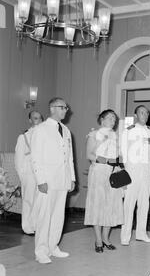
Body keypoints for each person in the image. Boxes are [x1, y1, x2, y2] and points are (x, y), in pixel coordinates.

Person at [30, 98, 76, 264]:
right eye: (62, 107)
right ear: (52, 108)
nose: (66, 110)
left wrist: (72, 178)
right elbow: (35, 157)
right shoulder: (41, 129)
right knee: (44, 216)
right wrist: (40, 180)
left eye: (66, 107)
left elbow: (69, 157)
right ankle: (41, 251)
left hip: (62, 179)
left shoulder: (65, 130)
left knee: (58, 216)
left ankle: (52, 246)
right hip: (47, 180)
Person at [84, 110, 124, 253]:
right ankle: (98, 240)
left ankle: (106, 238)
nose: (113, 120)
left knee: (111, 206)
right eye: (110, 118)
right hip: (99, 172)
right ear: (102, 119)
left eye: (115, 118)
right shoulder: (94, 134)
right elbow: (89, 155)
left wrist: (119, 166)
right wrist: (106, 160)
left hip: (113, 173)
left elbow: (118, 156)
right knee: (98, 205)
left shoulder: (116, 136)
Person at [120, 105, 150, 245]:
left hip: (146, 169)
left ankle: (141, 233)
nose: (145, 115)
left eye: (147, 113)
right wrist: (127, 170)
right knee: (129, 203)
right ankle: (125, 236)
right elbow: (124, 151)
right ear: (136, 115)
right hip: (132, 169)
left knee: (144, 202)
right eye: (142, 112)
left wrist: (145, 164)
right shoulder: (128, 130)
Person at [15, 110, 43, 235]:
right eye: (35, 118)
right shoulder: (24, 137)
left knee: (39, 200)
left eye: (40, 118)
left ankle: (36, 224)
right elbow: (18, 159)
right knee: (29, 200)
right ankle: (27, 226)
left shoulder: (44, 136)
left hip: (42, 173)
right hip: (29, 173)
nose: (38, 120)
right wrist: (23, 176)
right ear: (30, 120)